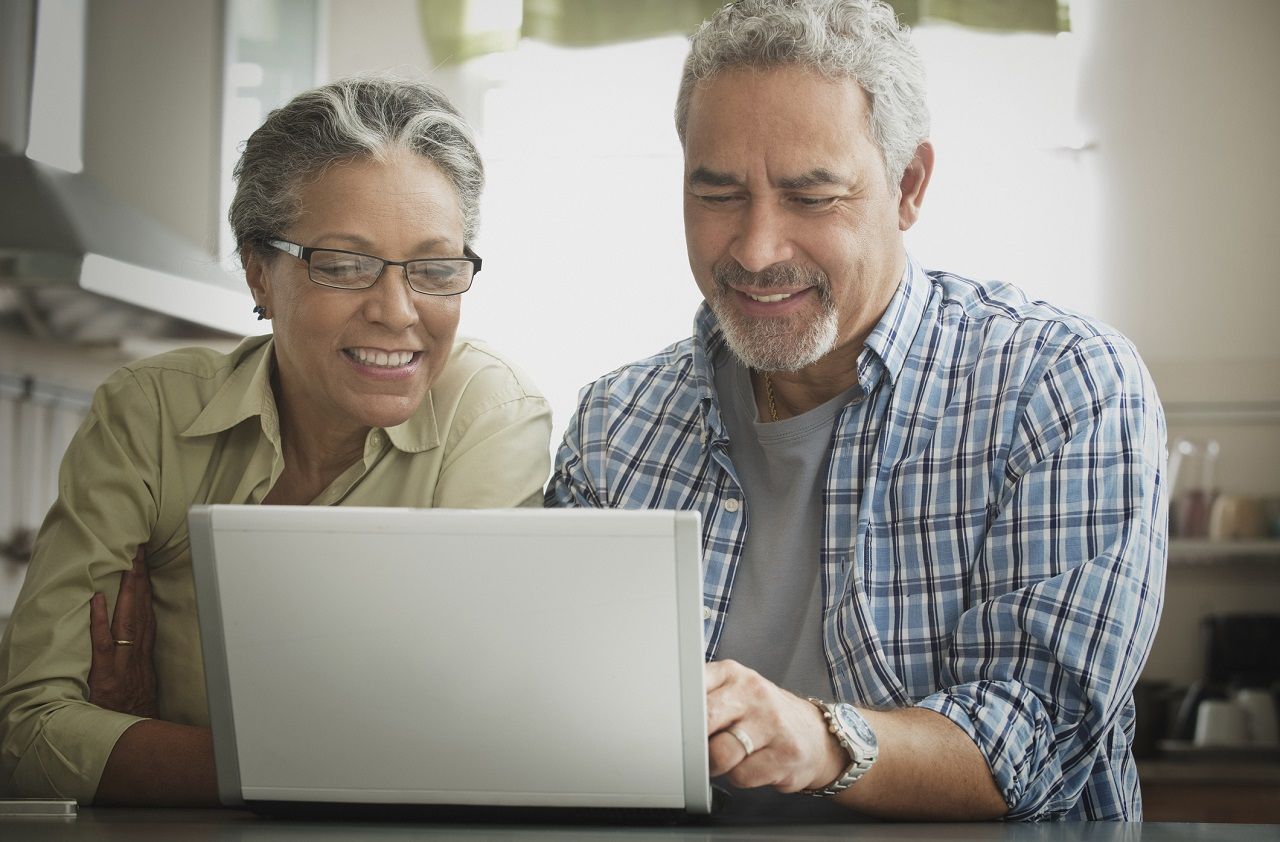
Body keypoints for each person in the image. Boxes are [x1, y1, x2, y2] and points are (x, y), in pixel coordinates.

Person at [546, 0, 1166, 822]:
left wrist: (822, 739)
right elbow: (557, 718)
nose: (758, 249)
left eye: (812, 197)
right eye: (719, 193)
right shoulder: (613, 427)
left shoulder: (1061, 389)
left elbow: (1042, 735)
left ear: (908, 186)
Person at [0, 76, 552, 805]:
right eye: (345, 264)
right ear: (260, 272)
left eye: (434, 268)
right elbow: (28, 729)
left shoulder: (489, 413)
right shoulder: (151, 414)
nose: (397, 311)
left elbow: (458, 745)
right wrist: (324, 765)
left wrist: (144, 747)